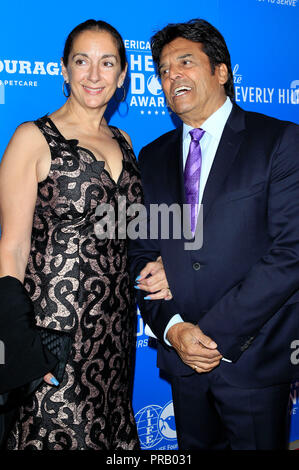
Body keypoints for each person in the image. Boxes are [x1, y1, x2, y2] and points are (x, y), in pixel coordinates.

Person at [129, 18, 299, 450]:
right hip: (182, 363)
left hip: (253, 359)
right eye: (164, 70)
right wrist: (173, 330)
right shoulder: (153, 157)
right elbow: (142, 255)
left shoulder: (278, 141)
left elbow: (289, 253)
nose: (172, 76)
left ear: (221, 71)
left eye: (185, 62)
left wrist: (208, 335)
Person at [0, 19, 169, 450]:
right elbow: (13, 246)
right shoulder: (32, 138)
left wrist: (163, 262)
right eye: (82, 61)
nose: (94, 75)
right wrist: (21, 345)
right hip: (53, 331)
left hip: (115, 332)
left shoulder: (125, 140)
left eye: (107, 63)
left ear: (123, 75)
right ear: (64, 69)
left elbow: (128, 233)